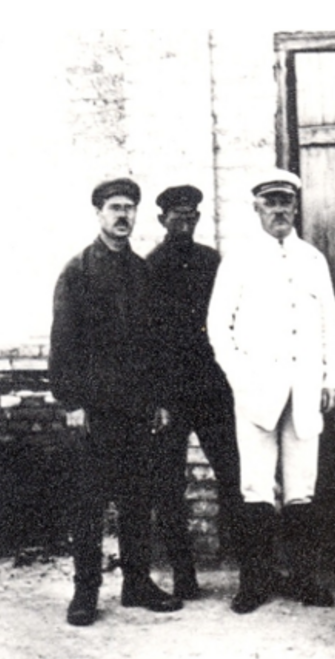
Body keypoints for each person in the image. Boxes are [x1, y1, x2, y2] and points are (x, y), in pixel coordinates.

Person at [206, 168, 335, 614]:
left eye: (286, 202)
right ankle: (255, 582)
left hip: (304, 390)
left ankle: (305, 579)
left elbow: (330, 324)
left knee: (302, 488)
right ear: (257, 207)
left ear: (295, 206)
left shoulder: (312, 259)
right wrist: (240, 378)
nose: (279, 210)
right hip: (256, 393)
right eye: (271, 202)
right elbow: (218, 327)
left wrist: (332, 379)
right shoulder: (239, 259)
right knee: (256, 488)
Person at [49, 177, 183, 626]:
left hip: (136, 406)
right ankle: (85, 592)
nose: (123, 216)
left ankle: (137, 584)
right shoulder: (78, 271)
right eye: (115, 208)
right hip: (94, 409)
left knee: (136, 498)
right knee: (88, 504)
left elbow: (157, 344)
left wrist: (160, 398)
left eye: (129, 208)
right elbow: (63, 341)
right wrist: (71, 402)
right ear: (99, 214)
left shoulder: (142, 272)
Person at [145, 184, 241, 600]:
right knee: (169, 486)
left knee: (233, 475)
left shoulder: (212, 262)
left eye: (191, 216)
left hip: (213, 388)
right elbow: (144, 338)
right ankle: (183, 575)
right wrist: (156, 397)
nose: (185, 222)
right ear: (162, 219)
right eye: (177, 216)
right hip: (171, 393)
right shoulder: (149, 267)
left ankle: (249, 569)